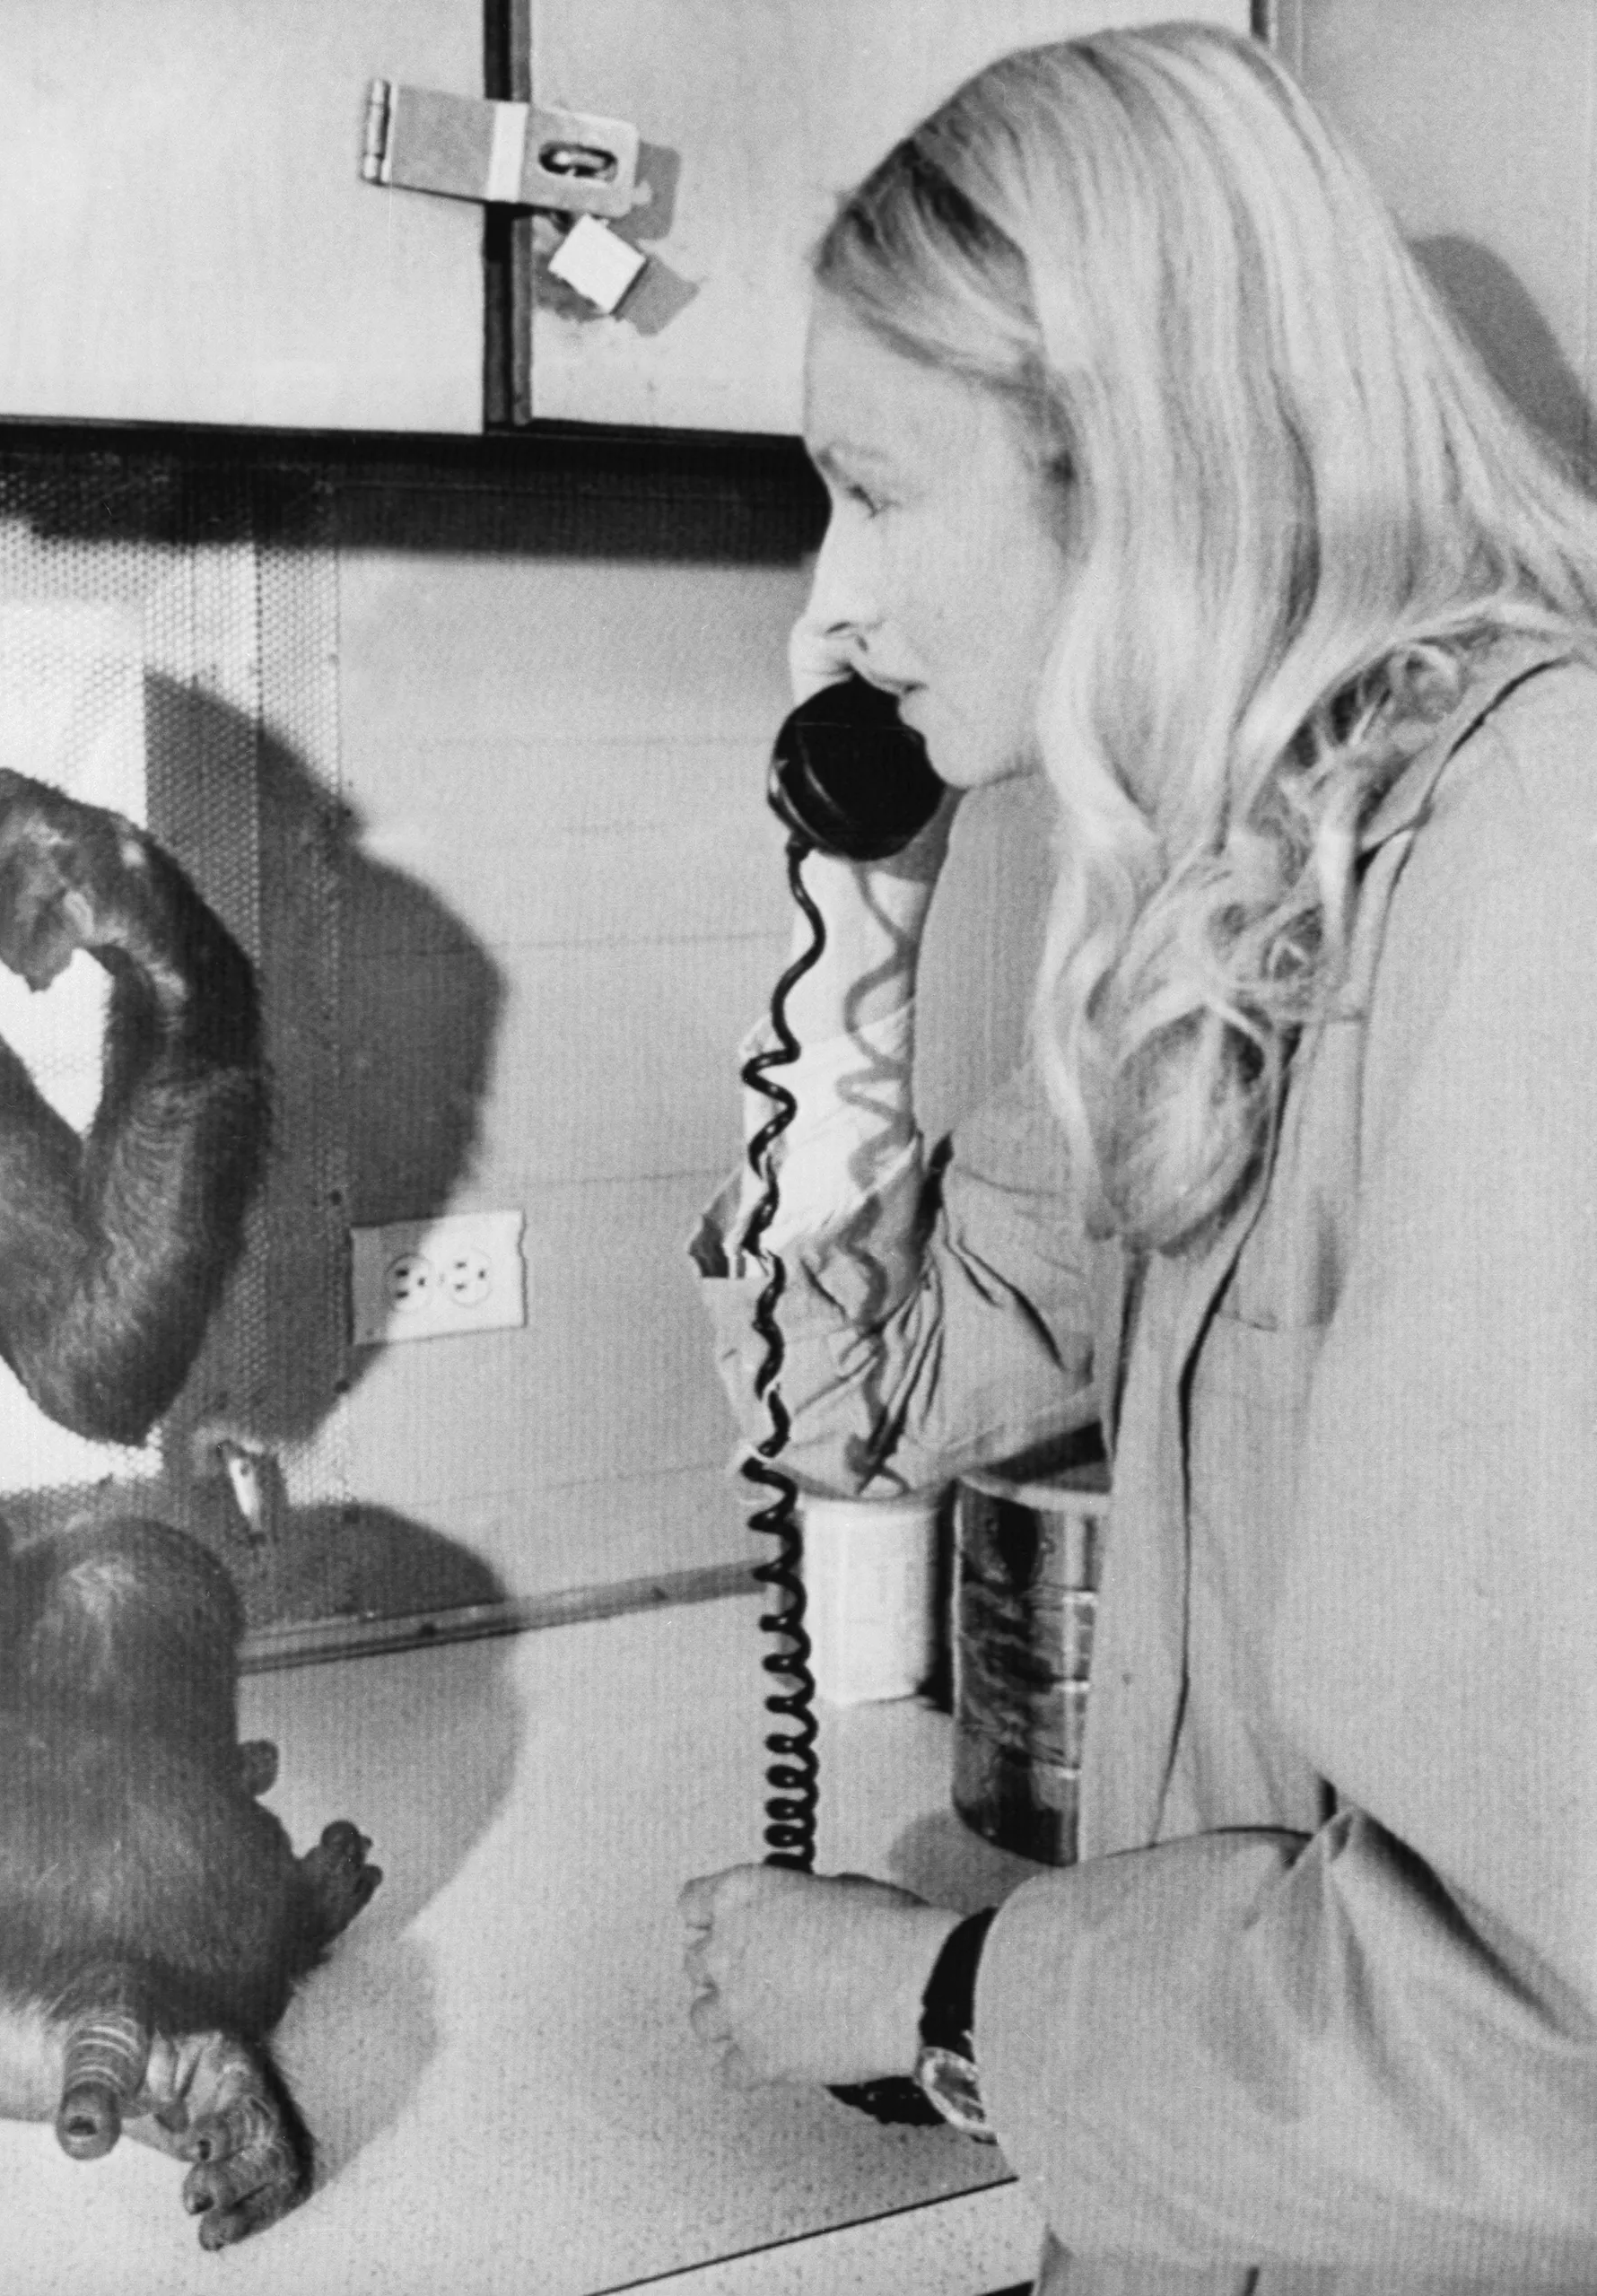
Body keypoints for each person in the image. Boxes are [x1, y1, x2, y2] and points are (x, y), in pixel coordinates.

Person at [679, 23, 1597, 2294]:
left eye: (875, 490)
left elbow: (1545, 2044)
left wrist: (936, 1996)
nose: (829, 609)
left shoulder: (1533, 884)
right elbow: (868, 1387)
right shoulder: (1236, 912)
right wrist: (856, 925)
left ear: (1129, 468)